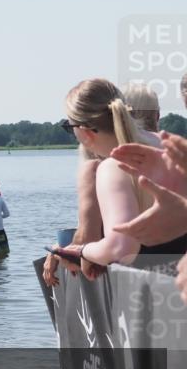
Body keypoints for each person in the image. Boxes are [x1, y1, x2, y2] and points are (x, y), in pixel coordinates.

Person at [51, 78, 185, 277]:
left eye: (70, 128)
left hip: (157, 293)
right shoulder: (174, 147)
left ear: (84, 131)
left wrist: (82, 251)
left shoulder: (113, 167)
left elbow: (122, 247)